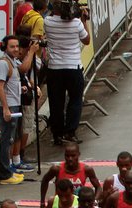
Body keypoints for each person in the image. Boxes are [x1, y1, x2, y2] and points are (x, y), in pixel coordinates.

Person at [42, 0, 91, 144]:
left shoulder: (48, 22)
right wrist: (83, 19)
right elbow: (86, 40)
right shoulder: (76, 24)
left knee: (56, 102)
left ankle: (57, 134)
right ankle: (70, 132)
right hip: (73, 67)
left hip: (55, 69)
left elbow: (53, 15)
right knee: (75, 100)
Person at [0, 36, 36, 185]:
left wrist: (21, 88)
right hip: (8, 106)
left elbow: (13, 80)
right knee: (6, 140)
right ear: (5, 47)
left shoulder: (12, 61)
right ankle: (5, 175)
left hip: (13, 104)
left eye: (17, 46)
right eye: (12, 47)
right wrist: (5, 108)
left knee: (10, 139)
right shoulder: (3, 64)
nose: (16, 49)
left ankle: (8, 170)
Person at [40, 144, 100, 208]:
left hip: (78, 207)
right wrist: (42, 203)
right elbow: (45, 181)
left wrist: (94, 201)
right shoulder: (56, 169)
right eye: (67, 156)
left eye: (73, 156)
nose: (70, 159)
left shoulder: (87, 169)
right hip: (60, 207)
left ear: (78, 154)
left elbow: (98, 187)